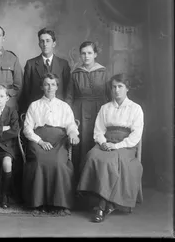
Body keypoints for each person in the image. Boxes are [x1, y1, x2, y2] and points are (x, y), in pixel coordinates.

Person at [77, 73, 144, 223]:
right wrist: (102, 143)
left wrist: (117, 146)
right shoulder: (105, 108)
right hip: (106, 143)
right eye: (114, 87)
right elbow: (98, 131)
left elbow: (135, 136)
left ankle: (102, 206)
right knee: (92, 156)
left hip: (125, 146)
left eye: (120, 87)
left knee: (110, 161)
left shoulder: (135, 109)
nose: (117, 90)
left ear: (127, 89)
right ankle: (102, 201)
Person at [23, 73, 80, 215]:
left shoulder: (64, 106)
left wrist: (73, 133)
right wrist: (40, 141)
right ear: (42, 87)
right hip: (38, 140)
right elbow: (27, 129)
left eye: (53, 84)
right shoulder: (34, 105)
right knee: (38, 161)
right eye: (47, 84)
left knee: (59, 163)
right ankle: (38, 202)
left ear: (57, 87)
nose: (50, 87)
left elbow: (71, 125)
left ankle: (60, 204)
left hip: (59, 140)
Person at [65, 41, 111, 179]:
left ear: (95, 54)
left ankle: (97, 180)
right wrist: (69, 118)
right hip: (79, 111)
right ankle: (80, 180)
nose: (86, 56)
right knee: (82, 144)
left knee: (97, 141)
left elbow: (110, 95)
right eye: (83, 53)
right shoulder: (75, 74)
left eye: (89, 53)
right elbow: (69, 97)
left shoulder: (104, 72)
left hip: (99, 111)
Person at [20, 28, 71, 114]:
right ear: (39, 44)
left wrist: (66, 109)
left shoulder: (63, 64)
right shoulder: (31, 64)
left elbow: (68, 89)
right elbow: (26, 91)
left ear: (54, 43)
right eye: (42, 41)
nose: (45, 44)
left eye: (48, 41)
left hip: (58, 110)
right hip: (37, 110)